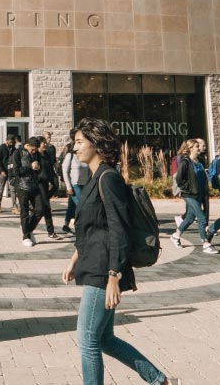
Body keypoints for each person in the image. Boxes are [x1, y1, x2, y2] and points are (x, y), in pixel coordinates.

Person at [61, 117, 173, 385]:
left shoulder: (108, 178)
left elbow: (119, 230)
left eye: (79, 142)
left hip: (104, 269)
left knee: (87, 341)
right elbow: (93, 228)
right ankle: (159, 380)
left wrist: (114, 277)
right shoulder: (94, 177)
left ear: (96, 144)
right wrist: (74, 259)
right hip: (94, 264)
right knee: (104, 339)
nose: (74, 148)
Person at [171, 140, 215, 252]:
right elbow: (179, 179)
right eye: (196, 146)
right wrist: (188, 188)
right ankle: (205, 243)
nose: (199, 148)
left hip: (200, 194)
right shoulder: (185, 162)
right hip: (189, 195)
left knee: (190, 218)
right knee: (201, 217)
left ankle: (176, 236)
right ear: (190, 148)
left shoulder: (200, 160)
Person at [14, 136, 59, 244]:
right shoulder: (18, 153)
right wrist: (30, 166)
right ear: (27, 145)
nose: (34, 151)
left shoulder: (36, 154)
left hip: (35, 186)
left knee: (40, 209)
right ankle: (26, 237)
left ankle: (28, 231)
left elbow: (39, 168)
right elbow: (16, 171)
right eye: (32, 149)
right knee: (24, 212)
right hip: (22, 186)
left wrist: (38, 169)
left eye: (35, 149)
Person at [62, 142, 89, 234]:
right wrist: (68, 187)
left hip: (84, 184)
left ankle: (66, 225)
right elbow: (65, 171)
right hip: (75, 185)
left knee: (72, 206)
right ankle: (81, 227)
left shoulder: (84, 156)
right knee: (82, 206)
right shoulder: (70, 156)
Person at [0, 134, 20, 214]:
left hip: (11, 171)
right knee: (2, 188)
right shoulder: (2, 147)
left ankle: (14, 207)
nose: (11, 143)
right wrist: (1, 170)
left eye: (13, 141)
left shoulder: (14, 149)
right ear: (7, 140)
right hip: (3, 170)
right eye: (10, 141)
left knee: (13, 189)